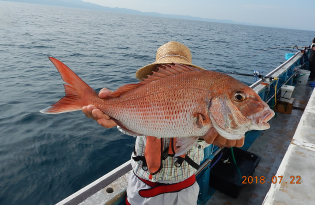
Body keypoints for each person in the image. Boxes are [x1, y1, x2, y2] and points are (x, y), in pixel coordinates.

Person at [82, 41, 244, 205]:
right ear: (154, 76)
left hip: (183, 191)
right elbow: (134, 126)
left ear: (190, 75)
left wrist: (224, 131)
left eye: (179, 71)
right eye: (164, 71)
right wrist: (113, 117)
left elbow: (201, 138)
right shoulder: (146, 95)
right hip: (140, 186)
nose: (172, 78)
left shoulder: (203, 100)